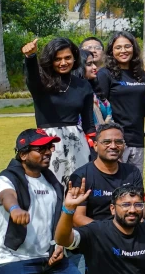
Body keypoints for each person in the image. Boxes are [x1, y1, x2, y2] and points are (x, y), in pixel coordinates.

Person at [0, 129, 83, 274]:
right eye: (41, 148)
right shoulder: (5, 179)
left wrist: (59, 244)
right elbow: (6, 195)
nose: (48, 152)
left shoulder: (51, 180)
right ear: (23, 154)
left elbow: (57, 218)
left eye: (50, 147)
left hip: (47, 258)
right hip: (14, 258)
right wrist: (14, 209)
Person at [23, 37, 96, 181]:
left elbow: (88, 123)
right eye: (57, 59)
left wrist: (94, 148)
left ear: (75, 58)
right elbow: (32, 77)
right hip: (48, 143)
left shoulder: (83, 85)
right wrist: (30, 57)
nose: (63, 63)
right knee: (50, 186)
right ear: (50, 61)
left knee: (79, 185)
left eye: (68, 58)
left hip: (77, 144)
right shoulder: (41, 83)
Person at [93, 32, 145, 172]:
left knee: (135, 185)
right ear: (112, 51)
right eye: (118, 47)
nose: (123, 51)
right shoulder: (105, 74)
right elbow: (99, 109)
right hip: (115, 140)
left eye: (127, 46)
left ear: (134, 48)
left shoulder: (140, 74)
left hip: (137, 138)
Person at [68, 124, 143, 225]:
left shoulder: (133, 172)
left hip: (127, 228)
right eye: (107, 142)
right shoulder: (81, 176)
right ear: (95, 146)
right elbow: (77, 218)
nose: (113, 146)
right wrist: (109, 232)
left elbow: (141, 209)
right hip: (95, 233)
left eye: (118, 142)